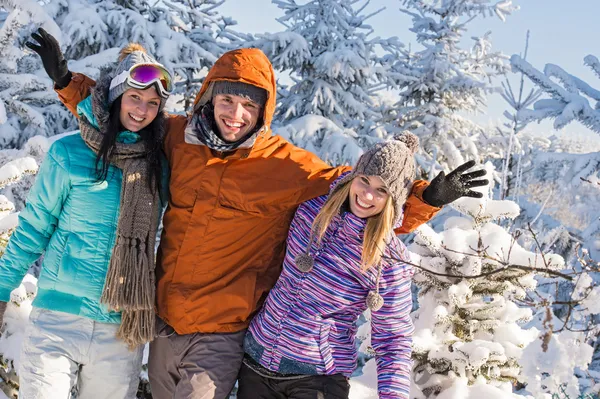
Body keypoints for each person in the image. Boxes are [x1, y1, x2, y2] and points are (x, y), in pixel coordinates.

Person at [30, 29, 487, 398]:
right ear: (208, 97)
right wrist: (68, 82)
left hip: (223, 329)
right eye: (227, 100)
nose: (235, 114)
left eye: (250, 105)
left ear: (264, 110)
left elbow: (364, 201)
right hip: (164, 318)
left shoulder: (286, 167)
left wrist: (426, 197)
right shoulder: (177, 138)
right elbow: (127, 113)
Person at [0, 39, 173, 398]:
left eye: (153, 103)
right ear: (115, 97)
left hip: (120, 328)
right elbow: (34, 227)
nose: (142, 110)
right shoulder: (69, 153)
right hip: (57, 320)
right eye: (134, 98)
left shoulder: (160, 165)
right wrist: (2, 289)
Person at [238, 133, 443, 399]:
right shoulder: (310, 210)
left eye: (382, 190)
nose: (367, 195)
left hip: (315, 380)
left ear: (394, 200)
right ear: (352, 177)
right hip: (256, 365)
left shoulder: (388, 260)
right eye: (364, 180)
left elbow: (393, 341)